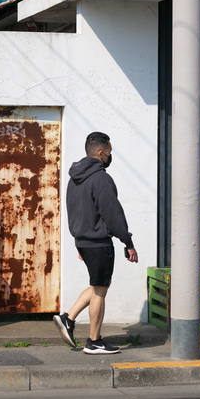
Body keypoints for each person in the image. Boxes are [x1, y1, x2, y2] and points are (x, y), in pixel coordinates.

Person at [53, 131, 138, 355]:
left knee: (99, 283)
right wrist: (127, 242)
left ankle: (68, 319)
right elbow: (113, 214)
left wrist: (79, 241)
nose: (110, 157)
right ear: (101, 154)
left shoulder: (74, 178)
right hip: (98, 243)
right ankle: (94, 341)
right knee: (100, 290)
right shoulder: (101, 179)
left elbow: (74, 211)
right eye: (109, 153)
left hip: (83, 241)